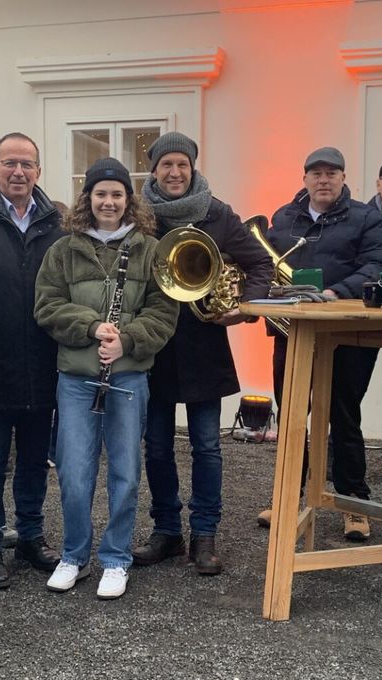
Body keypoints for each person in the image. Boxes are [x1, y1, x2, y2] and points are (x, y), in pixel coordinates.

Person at [33, 157, 177, 600]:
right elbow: (47, 306)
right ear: (88, 199)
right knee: (74, 473)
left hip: (129, 378)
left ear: (128, 201)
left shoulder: (150, 249)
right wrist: (93, 327)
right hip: (76, 379)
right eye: (101, 194)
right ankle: (74, 555)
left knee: (125, 473)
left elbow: (164, 312)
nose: (109, 201)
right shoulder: (63, 249)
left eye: (117, 194)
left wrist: (128, 340)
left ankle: (116, 558)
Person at [133, 132, 272, 575]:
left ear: (192, 167)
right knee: (155, 446)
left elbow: (260, 263)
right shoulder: (139, 216)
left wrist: (243, 310)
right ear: (153, 169)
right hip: (153, 345)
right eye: (166, 165)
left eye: (182, 165)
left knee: (207, 446)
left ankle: (205, 535)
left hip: (204, 344)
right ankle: (167, 532)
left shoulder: (217, 212)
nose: (175, 172)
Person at [258, 147, 382, 541]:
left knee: (345, 416)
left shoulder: (367, 217)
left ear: (343, 177)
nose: (323, 179)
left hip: (346, 333)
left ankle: (355, 504)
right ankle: (287, 498)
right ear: (304, 178)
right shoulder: (284, 217)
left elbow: (379, 263)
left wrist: (337, 291)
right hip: (294, 332)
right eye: (316, 173)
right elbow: (268, 265)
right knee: (291, 417)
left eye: (331, 173)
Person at [0, 132, 65, 589]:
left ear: (38, 171)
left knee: (32, 459)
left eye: (27, 164)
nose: (18, 172)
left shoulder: (56, 223)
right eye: (9, 164)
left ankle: (30, 534)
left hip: (43, 364)